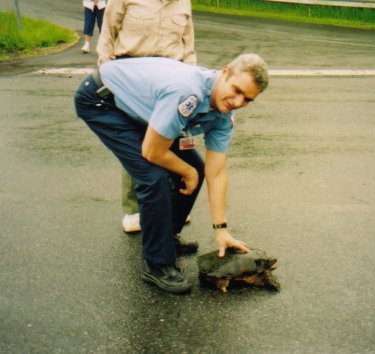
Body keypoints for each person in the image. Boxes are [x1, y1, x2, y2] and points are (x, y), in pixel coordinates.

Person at [74, 54, 269, 293]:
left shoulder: (223, 114)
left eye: (247, 99)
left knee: (197, 170)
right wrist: (187, 172)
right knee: (154, 178)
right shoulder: (187, 92)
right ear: (225, 72)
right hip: (103, 100)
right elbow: (152, 151)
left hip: (144, 110)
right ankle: (157, 263)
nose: (238, 102)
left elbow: (216, 172)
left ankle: (166, 239)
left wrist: (221, 230)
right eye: (237, 90)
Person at [96, 0, 197, 233]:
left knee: (170, 141)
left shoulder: (183, 2)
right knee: (135, 143)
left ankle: (171, 203)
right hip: (132, 76)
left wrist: (192, 81)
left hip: (171, 78)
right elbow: (107, 36)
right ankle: (134, 209)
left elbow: (188, 48)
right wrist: (108, 77)